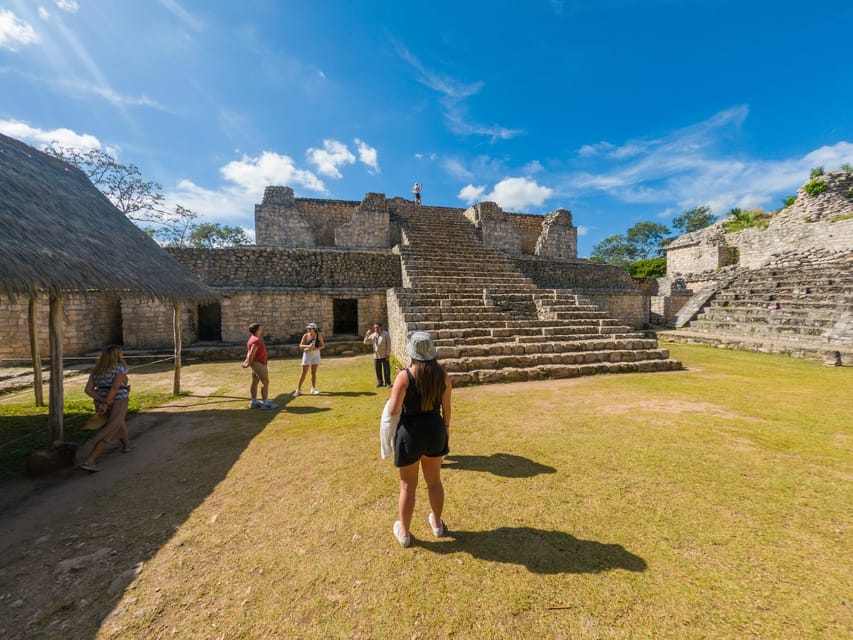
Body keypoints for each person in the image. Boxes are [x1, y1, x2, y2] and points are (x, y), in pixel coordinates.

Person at [387, 331, 451, 547]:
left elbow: (394, 408)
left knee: (407, 486)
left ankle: (404, 532)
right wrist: (447, 429)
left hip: (411, 433)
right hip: (435, 428)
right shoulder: (442, 375)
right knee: (434, 482)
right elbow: (447, 408)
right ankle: (437, 523)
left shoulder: (404, 376)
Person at [81, 344, 131, 472]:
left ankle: (126, 446)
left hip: (100, 401)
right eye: (121, 353)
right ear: (116, 356)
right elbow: (115, 387)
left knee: (118, 423)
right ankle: (90, 460)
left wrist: (101, 400)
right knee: (111, 429)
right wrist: (107, 402)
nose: (122, 355)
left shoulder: (96, 370)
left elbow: (88, 390)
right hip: (118, 400)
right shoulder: (119, 368)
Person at [243, 323, 278, 409]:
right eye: (260, 328)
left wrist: (247, 361)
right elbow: (252, 352)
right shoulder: (256, 340)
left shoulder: (252, 339)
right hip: (259, 364)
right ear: (257, 330)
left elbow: (249, 352)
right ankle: (266, 403)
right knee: (265, 382)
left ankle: (254, 401)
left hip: (256, 364)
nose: (261, 329)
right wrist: (248, 362)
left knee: (255, 382)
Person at [294, 322, 324, 396]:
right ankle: (298, 390)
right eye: (308, 328)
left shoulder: (319, 336)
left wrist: (316, 348)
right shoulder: (305, 336)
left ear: (314, 329)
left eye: (310, 328)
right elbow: (300, 345)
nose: (308, 329)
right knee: (303, 373)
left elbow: (323, 346)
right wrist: (309, 346)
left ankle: (313, 388)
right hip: (307, 355)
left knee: (313, 372)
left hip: (316, 354)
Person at [364, 322, 392, 388]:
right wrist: (367, 335)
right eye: (374, 328)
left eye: (377, 327)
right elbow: (365, 342)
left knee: (386, 370)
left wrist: (387, 354)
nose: (375, 329)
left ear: (380, 327)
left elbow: (389, 345)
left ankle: (388, 383)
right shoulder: (373, 335)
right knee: (378, 370)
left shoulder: (386, 334)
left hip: (384, 355)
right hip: (376, 356)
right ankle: (380, 382)